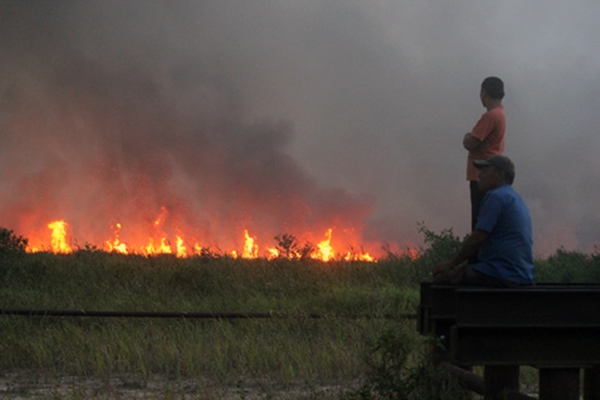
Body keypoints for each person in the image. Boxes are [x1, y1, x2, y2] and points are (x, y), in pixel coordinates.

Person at [433, 155, 534, 287]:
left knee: (443, 279)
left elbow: (478, 238)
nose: (479, 175)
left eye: (485, 170)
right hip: (521, 274)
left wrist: (451, 264)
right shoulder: (515, 198)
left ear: (500, 174)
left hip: (499, 273)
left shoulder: (496, 196)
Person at [464, 77, 506, 233]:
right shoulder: (500, 114)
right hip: (488, 173)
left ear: (485, 92)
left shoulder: (490, 117)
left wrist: (466, 137)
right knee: (486, 218)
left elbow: (471, 142)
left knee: (479, 220)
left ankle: (477, 256)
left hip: (480, 176)